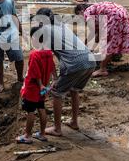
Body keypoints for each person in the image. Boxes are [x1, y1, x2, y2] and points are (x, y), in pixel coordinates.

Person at [34, 8, 96, 137]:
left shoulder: (45, 30)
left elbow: (48, 57)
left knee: (56, 93)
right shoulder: (60, 25)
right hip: (90, 60)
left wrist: (55, 78)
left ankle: (57, 128)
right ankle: (74, 122)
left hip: (75, 63)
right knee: (74, 90)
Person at [17, 27, 57, 144]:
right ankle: (42, 134)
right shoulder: (49, 52)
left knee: (30, 111)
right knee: (41, 108)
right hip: (43, 86)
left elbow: (35, 73)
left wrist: (40, 86)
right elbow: (52, 66)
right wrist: (54, 79)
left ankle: (27, 135)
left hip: (33, 88)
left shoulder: (35, 54)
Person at [75, 2, 129, 77]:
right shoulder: (95, 8)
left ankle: (102, 69)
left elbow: (92, 34)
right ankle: (107, 60)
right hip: (123, 12)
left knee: (109, 42)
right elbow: (97, 32)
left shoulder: (87, 12)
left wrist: (83, 47)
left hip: (115, 16)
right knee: (116, 40)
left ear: (81, 11)